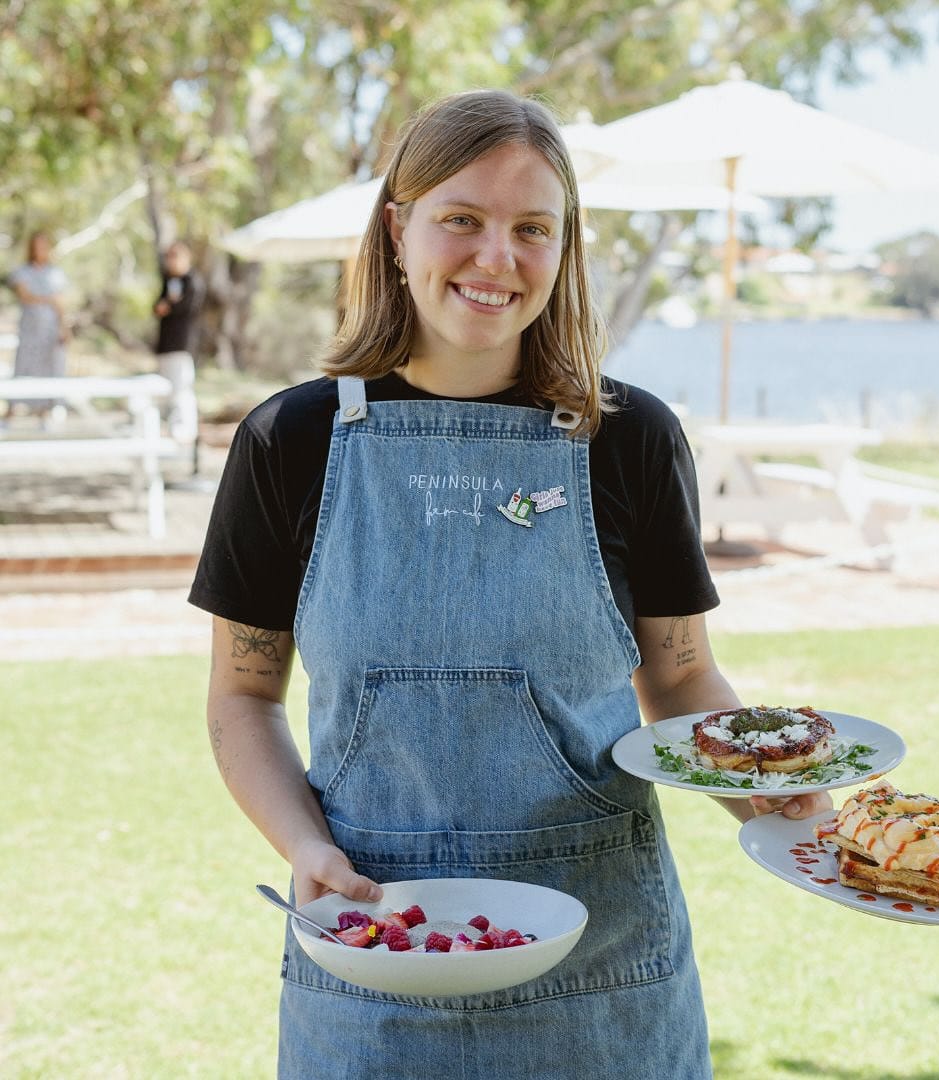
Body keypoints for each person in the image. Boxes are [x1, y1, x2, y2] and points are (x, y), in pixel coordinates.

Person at [189, 89, 828, 1079]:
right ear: (398, 229)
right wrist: (304, 848)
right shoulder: (290, 443)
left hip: (607, 979)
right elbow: (242, 696)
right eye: (462, 219)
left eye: (534, 228)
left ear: (565, 249)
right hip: (370, 956)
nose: (498, 259)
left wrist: (778, 797)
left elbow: (682, 681)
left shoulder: (633, 441)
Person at [8, 231, 69, 420]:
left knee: (49, 369)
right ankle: (10, 413)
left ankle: (43, 414)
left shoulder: (56, 273)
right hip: (30, 331)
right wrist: (50, 299)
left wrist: (64, 328)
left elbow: (61, 306)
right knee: (23, 369)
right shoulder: (22, 271)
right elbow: (26, 296)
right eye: (37, 245)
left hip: (50, 331)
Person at [153, 240, 202, 442]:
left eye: (175, 256)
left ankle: (186, 429)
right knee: (166, 389)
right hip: (165, 344)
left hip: (182, 344)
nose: (171, 261)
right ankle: (172, 426)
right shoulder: (167, 280)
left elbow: (185, 308)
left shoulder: (193, 281)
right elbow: (158, 307)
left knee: (182, 388)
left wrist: (169, 307)